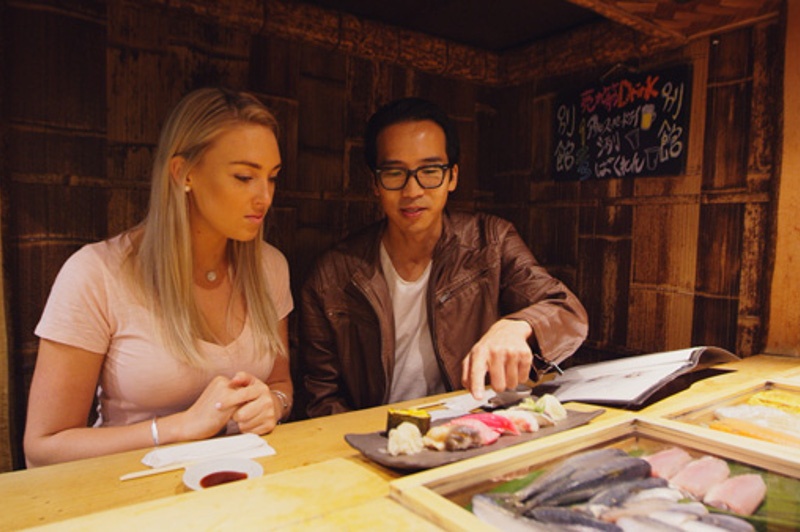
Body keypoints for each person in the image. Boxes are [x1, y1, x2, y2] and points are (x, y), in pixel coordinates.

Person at [23, 88, 293, 466]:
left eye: (273, 178)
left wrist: (273, 405)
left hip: (241, 485)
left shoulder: (270, 267)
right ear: (183, 173)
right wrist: (177, 428)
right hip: (128, 494)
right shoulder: (96, 274)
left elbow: (281, 385)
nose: (264, 196)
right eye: (244, 177)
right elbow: (43, 446)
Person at [299, 97, 589, 418]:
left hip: (473, 425)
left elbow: (566, 310)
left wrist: (517, 326)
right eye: (395, 173)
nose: (412, 191)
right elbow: (322, 397)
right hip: (377, 440)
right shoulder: (332, 276)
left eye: (430, 171)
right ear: (375, 183)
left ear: (452, 177)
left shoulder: (490, 240)